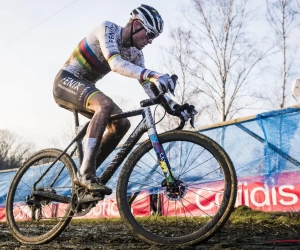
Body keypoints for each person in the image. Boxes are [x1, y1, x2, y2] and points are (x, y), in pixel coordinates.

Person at [53, 4, 197, 195]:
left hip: (87, 86)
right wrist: (153, 74)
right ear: (136, 24)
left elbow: (149, 87)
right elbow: (115, 63)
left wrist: (175, 106)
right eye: (150, 34)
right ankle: (85, 174)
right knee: (103, 105)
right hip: (67, 81)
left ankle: (87, 172)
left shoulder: (136, 54)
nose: (150, 41)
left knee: (121, 124)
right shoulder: (107, 29)